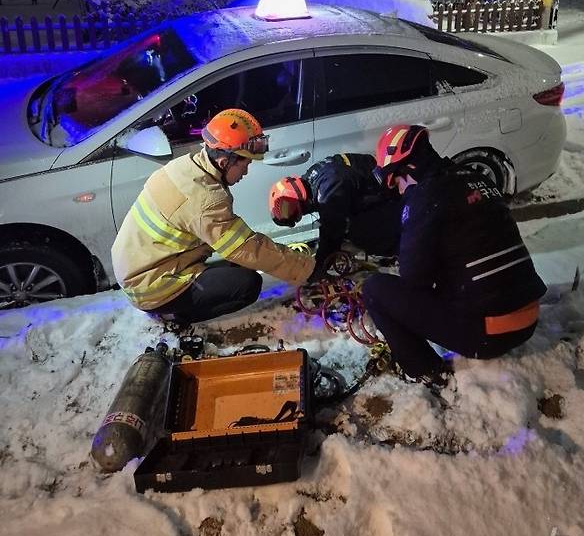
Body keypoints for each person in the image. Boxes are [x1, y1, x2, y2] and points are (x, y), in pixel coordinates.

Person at [362, 124, 547, 381]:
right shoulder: (476, 178)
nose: (400, 191)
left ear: (408, 169)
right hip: (529, 318)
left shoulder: (423, 197)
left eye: (397, 182)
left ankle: (425, 370)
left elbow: (414, 280)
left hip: (488, 335)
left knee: (374, 289)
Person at [111, 108, 315, 325]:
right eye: (244, 164)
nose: (245, 173)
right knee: (247, 284)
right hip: (153, 287)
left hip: (140, 270)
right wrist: (307, 270)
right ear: (225, 161)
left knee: (238, 262)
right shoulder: (205, 200)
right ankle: (177, 316)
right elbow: (247, 247)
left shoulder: (183, 167)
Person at [268, 153, 402, 276]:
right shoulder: (313, 177)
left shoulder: (328, 190)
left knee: (358, 234)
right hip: (375, 185)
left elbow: (331, 231)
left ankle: (401, 250)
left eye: (288, 209)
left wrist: (319, 267)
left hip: (390, 195)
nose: (293, 213)